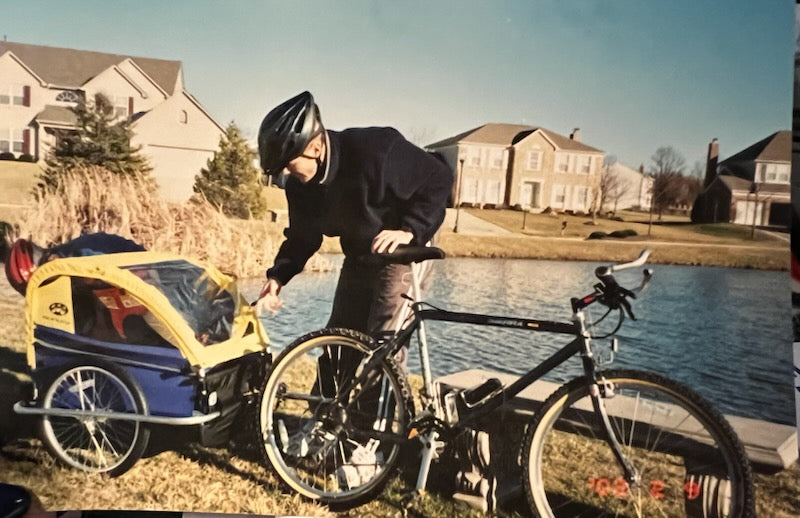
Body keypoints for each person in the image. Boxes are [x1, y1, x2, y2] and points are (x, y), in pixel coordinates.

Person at [255, 91, 453, 349]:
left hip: (404, 251)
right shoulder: (299, 185)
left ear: (315, 148)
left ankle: (385, 387)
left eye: (289, 163)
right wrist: (277, 277)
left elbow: (438, 178)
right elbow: (303, 237)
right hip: (360, 253)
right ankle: (329, 391)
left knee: (383, 344)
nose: (284, 172)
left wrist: (409, 229)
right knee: (338, 340)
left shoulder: (376, 150)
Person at [3, 232, 146, 296]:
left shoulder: (83, 257)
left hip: (148, 281)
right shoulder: (66, 258)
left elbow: (134, 278)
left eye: (44, 284)